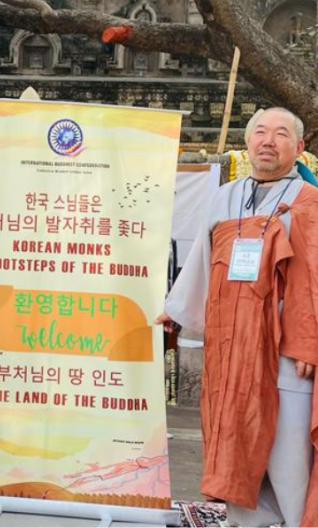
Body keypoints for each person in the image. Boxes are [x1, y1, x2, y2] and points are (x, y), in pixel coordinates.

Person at [159, 107, 318, 527]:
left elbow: (314, 281)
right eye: (260, 132)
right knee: (235, 444)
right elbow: (201, 261)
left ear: (299, 147)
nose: (269, 141)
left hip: (284, 352)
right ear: (248, 144)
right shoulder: (225, 196)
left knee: (288, 456)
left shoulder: (310, 202)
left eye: (281, 134)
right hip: (231, 347)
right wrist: (176, 312)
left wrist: (309, 342)